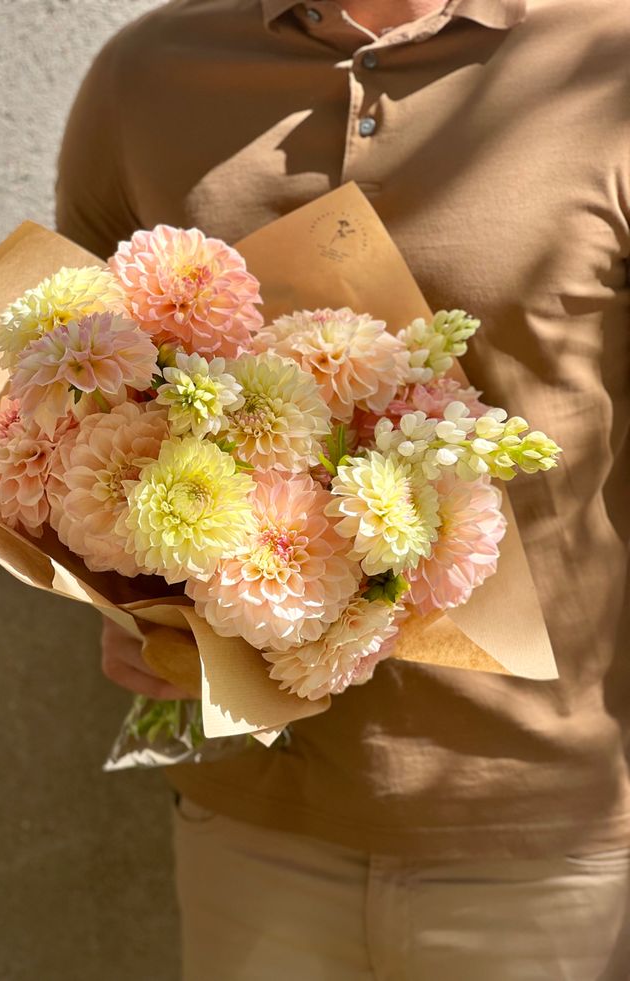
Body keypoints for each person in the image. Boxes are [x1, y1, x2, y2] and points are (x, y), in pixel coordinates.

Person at [55, 1, 630, 977]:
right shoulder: (147, 75)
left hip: (550, 843)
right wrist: (124, 595)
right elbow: (80, 390)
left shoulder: (604, 66)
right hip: (253, 819)